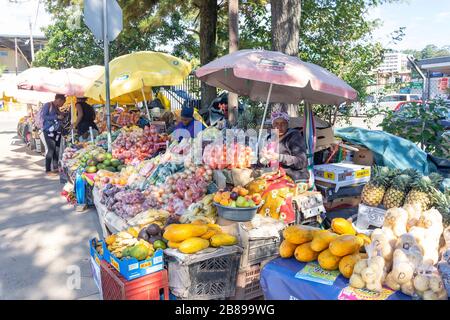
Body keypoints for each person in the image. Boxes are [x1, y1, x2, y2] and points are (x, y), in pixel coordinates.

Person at [260, 111, 309, 181]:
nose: (279, 126)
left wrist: (278, 157)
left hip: (293, 178)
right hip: (275, 175)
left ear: (287, 124)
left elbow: (302, 162)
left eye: (283, 123)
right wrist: (263, 157)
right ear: (272, 125)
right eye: (276, 123)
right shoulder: (270, 138)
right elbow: (267, 163)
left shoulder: (294, 136)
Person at [42, 94, 66, 175]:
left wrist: (64, 114)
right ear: (59, 100)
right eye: (62, 103)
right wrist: (56, 117)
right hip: (48, 131)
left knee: (57, 149)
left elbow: (60, 114)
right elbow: (44, 116)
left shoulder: (56, 107)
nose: (62, 105)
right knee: (51, 150)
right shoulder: (47, 105)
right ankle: (48, 169)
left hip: (56, 131)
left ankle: (55, 167)